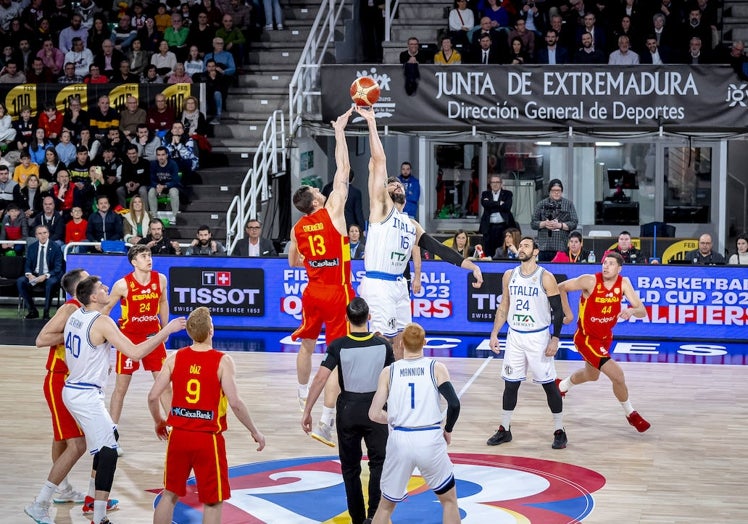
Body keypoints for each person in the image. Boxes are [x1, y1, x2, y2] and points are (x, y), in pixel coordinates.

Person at [57, 276, 184, 524]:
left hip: (75, 387)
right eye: (101, 287)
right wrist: (166, 330)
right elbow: (136, 352)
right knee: (104, 450)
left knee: (105, 444)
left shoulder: (76, 316)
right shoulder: (103, 319)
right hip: (86, 390)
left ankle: (89, 504)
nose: (106, 287)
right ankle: (62, 504)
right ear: (93, 296)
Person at [355, 107, 483, 352]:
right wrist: (372, 122)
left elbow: (438, 249)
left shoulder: (411, 223)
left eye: (400, 184)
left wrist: (472, 266)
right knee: (382, 341)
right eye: (393, 184)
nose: (398, 186)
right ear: (387, 191)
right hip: (378, 283)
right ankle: (379, 386)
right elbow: (379, 162)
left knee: (402, 339)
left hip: (399, 284)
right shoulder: (381, 209)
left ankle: (398, 384)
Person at [148, 307, 265, 524]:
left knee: (170, 494)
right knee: (212, 501)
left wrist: (159, 421)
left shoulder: (175, 358)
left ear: (190, 332)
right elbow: (236, 403)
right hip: (207, 439)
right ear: (211, 330)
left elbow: (153, 396)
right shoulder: (223, 361)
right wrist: (254, 431)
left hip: (179, 436)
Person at [24, 269, 122, 524]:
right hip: (61, 379)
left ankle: (82, 495)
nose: (94, 280)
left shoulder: (86, 312)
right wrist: (71, 334)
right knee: (74, 443)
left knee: (78, 439)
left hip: (79, 382)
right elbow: (41, 339)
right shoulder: (70, 310)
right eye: (87, 278)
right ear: (80, 288)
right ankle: (48, 497)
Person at [288, 108, 355, 447]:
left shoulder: (298, 227)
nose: (322, 190)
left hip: (312, 290)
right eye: (317, 190)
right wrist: (340, 130)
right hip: (337, 291)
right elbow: (343, 170)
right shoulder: (332, 212)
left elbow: (293, 260)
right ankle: (327, 421)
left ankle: (303, 396)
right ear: (315, 199)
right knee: (336, 356)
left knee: (306, 345)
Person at [302, 297, 394, 524]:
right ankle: (374, 516)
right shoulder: (384, 345)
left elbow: (320, 378)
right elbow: (395, 380)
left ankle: (357, 519)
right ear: (369, 318)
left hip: (348, 411)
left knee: (351, 469)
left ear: (346, 319)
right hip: (377, 412)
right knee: (378, 464)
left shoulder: (338, 345)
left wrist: (308, 410)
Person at [368, 322, 461, 524]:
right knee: (449, 501)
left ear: (400, 344)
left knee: (384, 507)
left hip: (400, 439)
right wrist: (448, 429)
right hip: (429, 438)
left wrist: (393, 418)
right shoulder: (436, 368)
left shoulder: (389, 371)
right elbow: (454, 404)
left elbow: (374, 414)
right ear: (424, 343)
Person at [486, 236, 567, 449]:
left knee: (549, 386)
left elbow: (558, 311)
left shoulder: (545, 277)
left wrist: (555, 338)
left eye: (526, 246)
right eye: (520, 245)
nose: (521, 248)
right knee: (510, 384)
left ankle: (559, 430)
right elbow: (504, 305)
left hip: (538, 336)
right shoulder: (509, 275)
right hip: (515, 336)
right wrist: (494, 333)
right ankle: (505, 429)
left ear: (536, 251)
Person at [557, 251, 651, 433]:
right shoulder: (590, 281)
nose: (606, 266)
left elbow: (642, 311)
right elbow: (561, 287)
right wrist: (567, 314)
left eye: (611, 263)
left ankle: (561, 385)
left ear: (619, 268)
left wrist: (631, 311)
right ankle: (631, 414)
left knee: (592, 375)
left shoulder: (623, 283)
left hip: (605, 337)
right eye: (604, 262)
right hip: (586, 338)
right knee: (618, 375)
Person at [104, 244, 174, 458]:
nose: (148, 259)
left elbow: (163, 301)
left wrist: (165, 328)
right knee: (120, 389)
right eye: (144, 256)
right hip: (129, 339)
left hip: (153, 337)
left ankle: (174, 430)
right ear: (134, 261)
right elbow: (106, 310)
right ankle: (111, 437)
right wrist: (102, 335)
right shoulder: (122, 284)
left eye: (149, 255)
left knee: (165, 385)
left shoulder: (160, 279)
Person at [18, 224, 64, 320]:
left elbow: (58, 267)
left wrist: (46, 276)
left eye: (45, 233)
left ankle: (46, 313)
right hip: (35, 275)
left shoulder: (56, 247)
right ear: (36, 236)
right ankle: (32, 311)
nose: (43, 235)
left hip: (50, 275)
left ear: (48, 234)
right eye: (40, 233)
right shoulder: (32, 247)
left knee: (50, 283)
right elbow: (28, 264)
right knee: (20, 281)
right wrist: (29, 274)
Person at [531, 179, 579, 261]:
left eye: (559, 190)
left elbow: (574, 223)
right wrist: (544, 224)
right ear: (549, 191)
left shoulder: (568, 204)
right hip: (544, 247)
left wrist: (560, 225)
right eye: (554, 190)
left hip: (561, 247)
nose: (556, 192)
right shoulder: (541, 204)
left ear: (562, 191)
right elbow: (533, 223)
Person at [479, 174, 514, 260]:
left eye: (497, 182)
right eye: (493, 182)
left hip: (503, 227)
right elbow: (485, 204)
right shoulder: (485, 194)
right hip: (489, 227)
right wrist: (499, 203)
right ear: (490, 184)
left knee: (502, 250)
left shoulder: (507, 194)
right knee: (488, 251)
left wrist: (491, 204)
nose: (495, 184)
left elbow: (507, 207)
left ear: (501, 184)